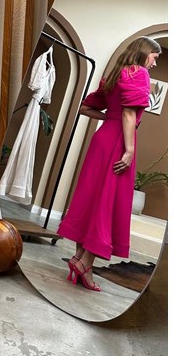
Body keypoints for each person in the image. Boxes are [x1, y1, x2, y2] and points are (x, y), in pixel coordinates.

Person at [57, 36, 161, 292]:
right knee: (108, 202)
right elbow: (129, 113)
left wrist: (107, 118)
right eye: (154, 57)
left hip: (102, 139)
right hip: (118, 142)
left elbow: (84, 108)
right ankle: (85, 264)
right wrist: (129, 149)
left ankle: (79, 259)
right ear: (144, 53)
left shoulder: (114, 76)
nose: (154, 63)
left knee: (93, 198)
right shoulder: (139, 74)